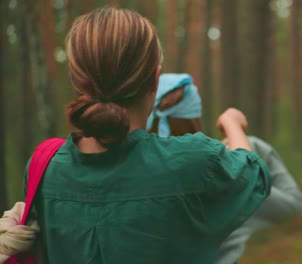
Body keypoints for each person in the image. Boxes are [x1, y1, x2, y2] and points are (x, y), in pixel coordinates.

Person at [23, 8, 270, 264]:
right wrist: (232, 123)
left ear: (77, 81)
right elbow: (255, 174)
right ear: (155, 78)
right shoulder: (192, 161)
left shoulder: (45, 167)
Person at [147, 73, 302, 264]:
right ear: (195, 119)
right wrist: (233, 127)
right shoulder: (217, 170)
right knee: (255, 147)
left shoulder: (133, 170)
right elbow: (294, 206)